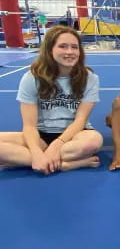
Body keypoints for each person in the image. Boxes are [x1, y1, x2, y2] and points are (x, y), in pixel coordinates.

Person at [0, 26, 103, 174]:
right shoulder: (32, 77)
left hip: (75, 135)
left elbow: (80, 120)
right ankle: (63, 165)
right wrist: (36, 151)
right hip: (40, 135)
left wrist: (56, 145)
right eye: (62, 46)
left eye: (74, 47)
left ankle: (27, 160)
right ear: (49, 50)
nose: (69, 52)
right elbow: (29, 126)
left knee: (94, 141)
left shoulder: (90, 78)